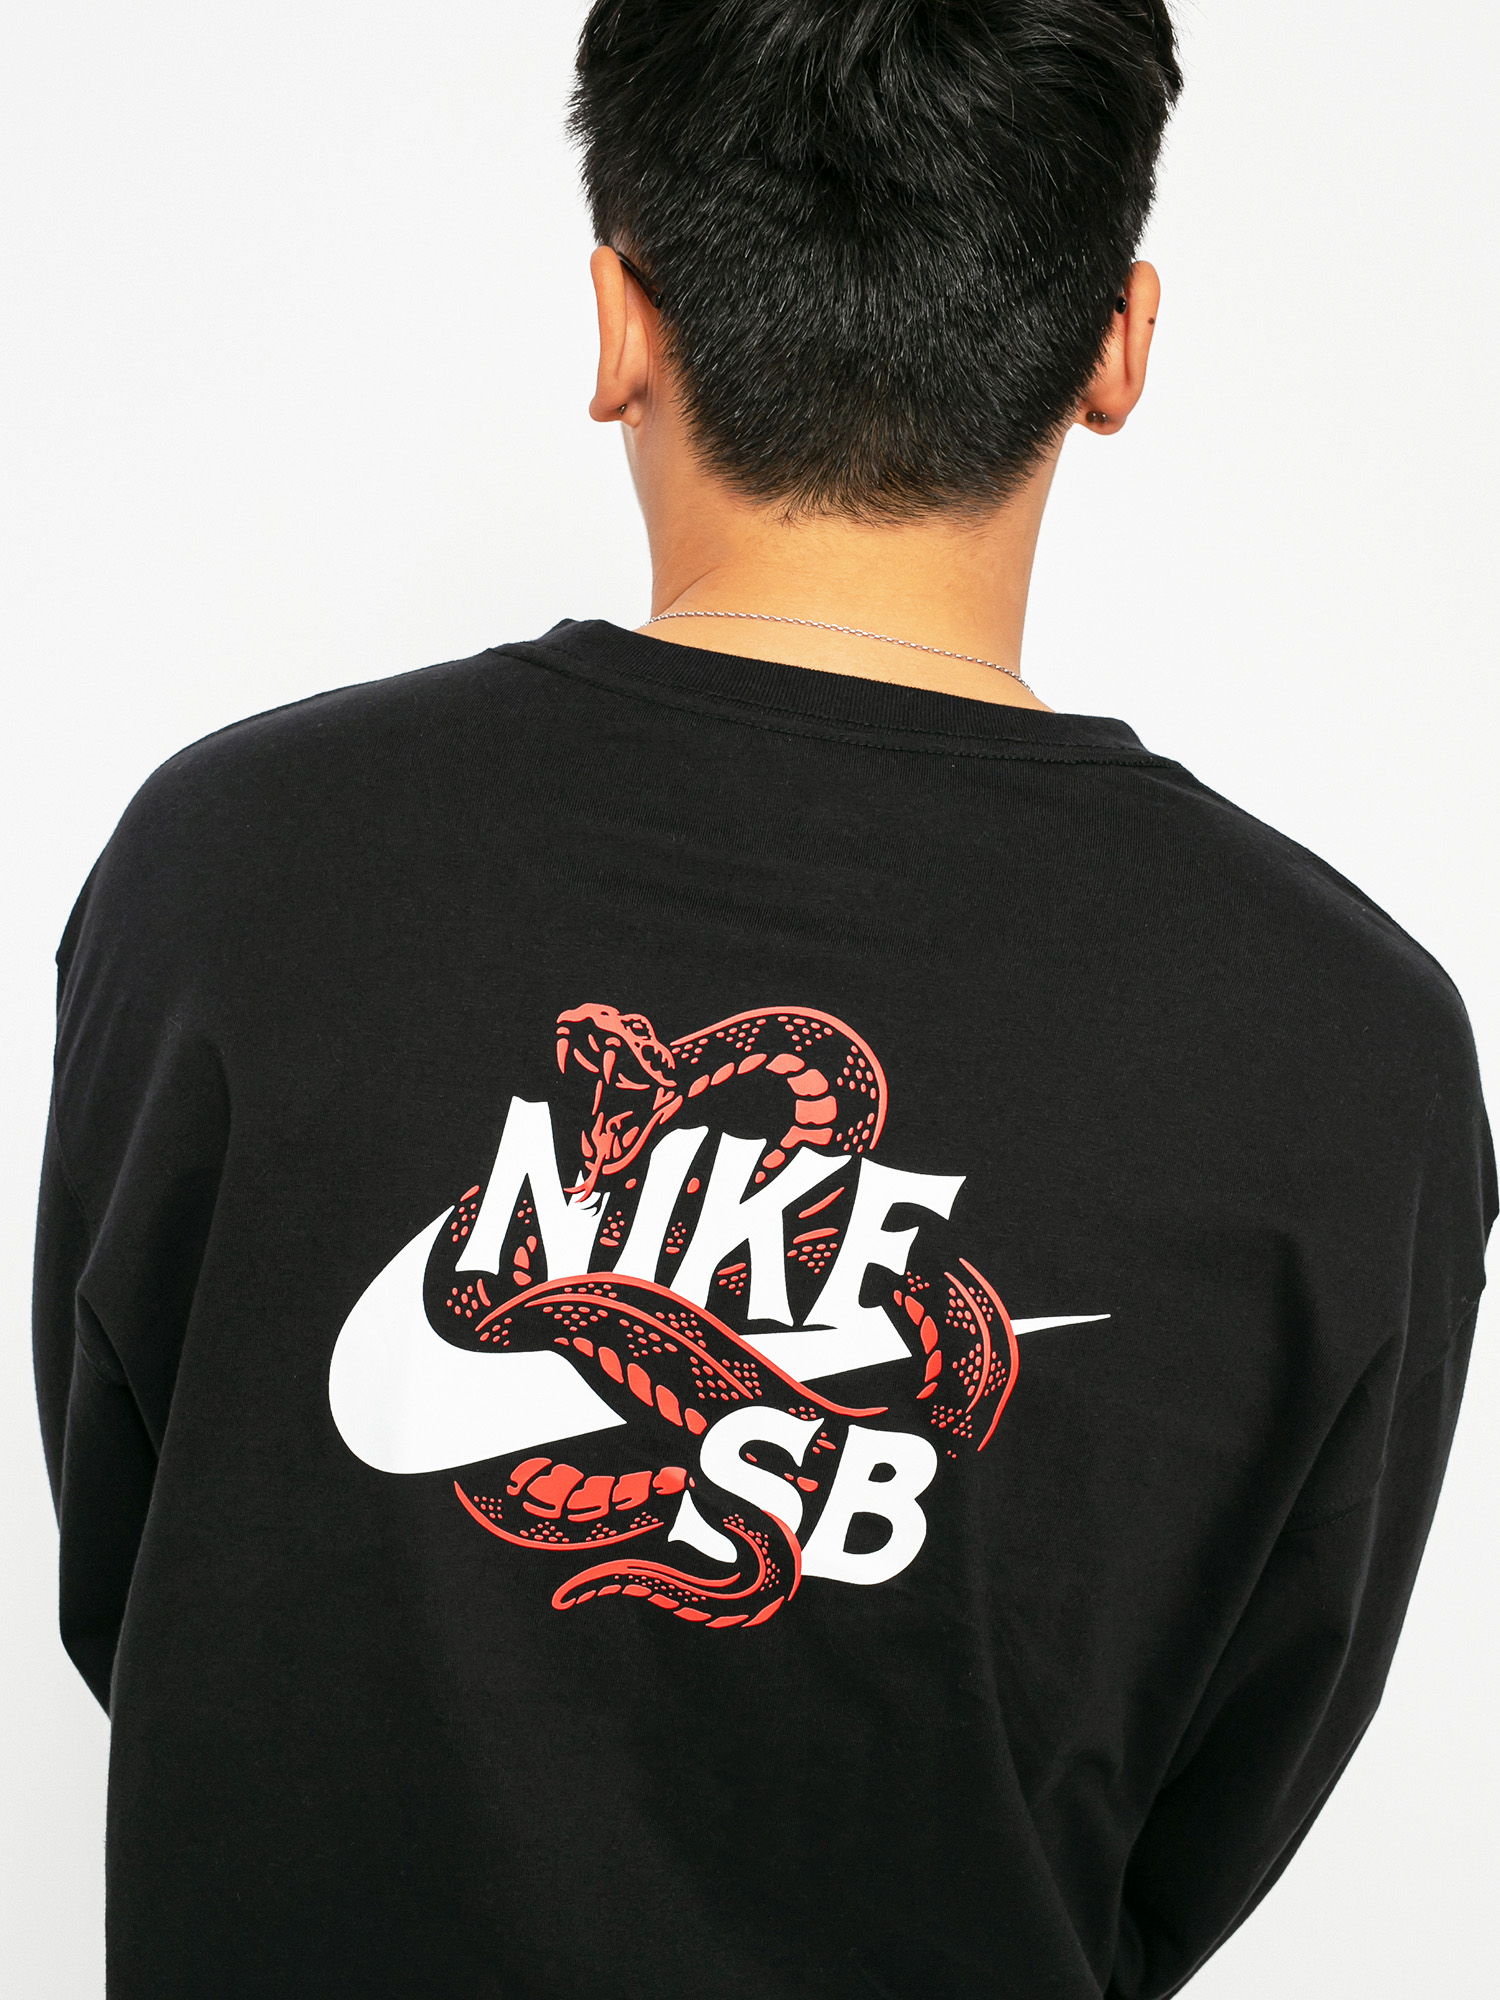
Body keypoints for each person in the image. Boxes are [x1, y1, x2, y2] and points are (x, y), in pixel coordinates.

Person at [32, 3, 1493, 1996]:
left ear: (617, 322)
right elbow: (1195, 1823)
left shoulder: (228, 870)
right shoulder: (1350, 1051)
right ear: (1119, 349)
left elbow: (153, 1584)